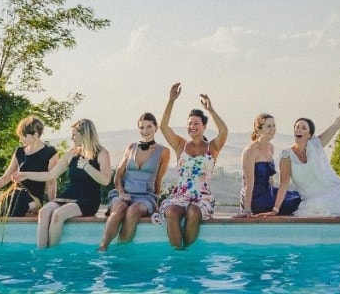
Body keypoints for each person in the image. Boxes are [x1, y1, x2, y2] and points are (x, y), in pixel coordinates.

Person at [14, 119, 112, 249]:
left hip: (88, 199)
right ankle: (41, 253)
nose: (72, 138)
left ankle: (52, 254)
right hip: (70, 194)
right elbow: (51, 174)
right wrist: (26, 174)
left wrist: (87, 167)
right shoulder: (72, 153)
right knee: (44, 212)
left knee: (58, 214)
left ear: (85, 134)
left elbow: (105, 180)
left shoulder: (101, 153)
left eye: (74, 134)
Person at [157, 83, 229, 249]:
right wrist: (171, 100)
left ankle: (187, 252)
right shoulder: (180, 145)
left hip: (202, 198)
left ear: (204, 126)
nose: (192, 127)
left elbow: (224, 132)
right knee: (172, 212)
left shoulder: (213, 147)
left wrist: (211, 110)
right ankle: (178, 253)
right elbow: (163, 127)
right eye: (190, 124)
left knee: (193, 212)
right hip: (180, 195)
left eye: (196, 123)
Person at [275, 96, 340, 217]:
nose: (299, 130)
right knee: (322, 207)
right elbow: (283, 184)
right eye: (297, 127)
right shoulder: (286, 156)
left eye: (303, 128)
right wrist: (275, 209)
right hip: (313, 199)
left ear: (309, 135)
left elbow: (337, 123)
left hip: (332, 191)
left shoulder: (316, 145)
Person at [98, 113, 172, 251]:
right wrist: (121, 192)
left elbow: (158, 179)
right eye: (142, 127)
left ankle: (121, 250)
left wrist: (156, 202)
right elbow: (118, 175)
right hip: (124, 192)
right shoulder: (131, 147)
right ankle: (103, 247)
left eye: (149, 126)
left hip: (145, 197)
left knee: (132, 210)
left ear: (156, 127)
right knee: (119, 208)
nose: (145, 131)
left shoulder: (164, 151)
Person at [0, 116, 58, 218]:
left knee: (20, 196)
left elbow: (51, 182)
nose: (20, 139)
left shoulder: (50, 152)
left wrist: (51, 206)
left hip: (33, 201)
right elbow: (6, 178)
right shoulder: (19, 152)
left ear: (35, 135)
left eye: (23, 136)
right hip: (15, 195)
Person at [241, 113, 301, 216]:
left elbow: (270, 178)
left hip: (268, 192)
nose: (273, 129)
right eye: (268, 126)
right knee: (296, 203)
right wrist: (246, 210)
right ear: (258, 130)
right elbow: (248, 184)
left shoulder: (270, 148)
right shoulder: (250, 152)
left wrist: (275, 194)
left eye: (274, 125)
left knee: (300, 196)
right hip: (256, 199)